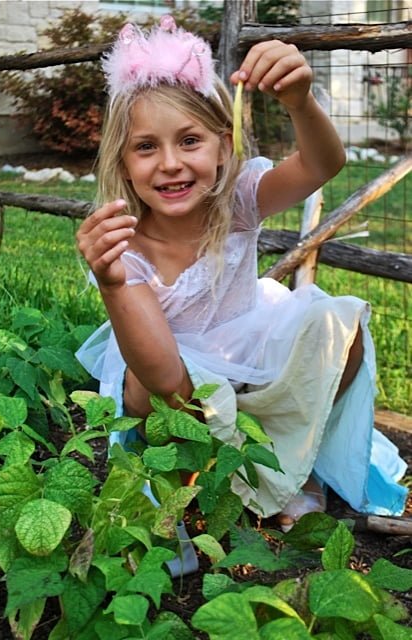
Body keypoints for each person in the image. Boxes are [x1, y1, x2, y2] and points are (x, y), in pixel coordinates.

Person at [76, 16, 407, 539]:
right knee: (147, 389)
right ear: (123, 159)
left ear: (224, 148)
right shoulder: (125, 247)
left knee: (338, 328)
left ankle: (289, 461)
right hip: (175, 379)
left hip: (247, 349)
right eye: (145, 147)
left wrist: (300, 101)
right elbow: (163, 380)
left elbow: (323, 164)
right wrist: (114, 283)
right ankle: (210, 474)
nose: (169, 164)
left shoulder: (239, 201)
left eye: (189, 140)